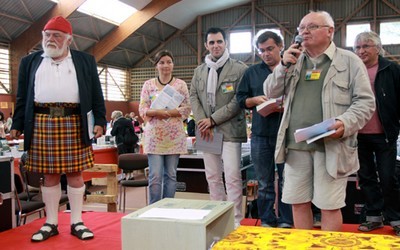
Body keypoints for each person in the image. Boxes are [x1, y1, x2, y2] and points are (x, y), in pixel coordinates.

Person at [263, 10, 375, 231]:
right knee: (297, 202)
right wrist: (283, 66)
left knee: (329, 206)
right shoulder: (293, 61)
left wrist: (345, 123)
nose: (304, 32)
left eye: (312, 27)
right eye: (301, 28)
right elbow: (270, 90)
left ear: (330, 31)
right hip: (296, 147)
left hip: (331, 146)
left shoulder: (349, 61)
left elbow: (365, 103)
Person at [10, 16, 106, 241]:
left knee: (75, 174)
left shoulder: (85, 61)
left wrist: (100, 120)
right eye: (47, 35)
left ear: (68, 39)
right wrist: (16, 124)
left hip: (74, 122)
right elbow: (22, 96)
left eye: (57, 35)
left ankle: (77, 221)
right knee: (49, 175)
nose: (50, 39)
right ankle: (51, 222)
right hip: (42, 123)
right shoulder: (30, 62)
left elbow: (96, 94)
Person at [190, 27, 248, 228]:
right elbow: (193, 97)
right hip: (206, 131)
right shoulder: (199, 71)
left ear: (225, 43)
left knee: (232, 176)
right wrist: (201, 121)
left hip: (230, 130)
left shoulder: (240, 69)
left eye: (219, 42)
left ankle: (235, 221)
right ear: (206, 45)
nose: (216, 46)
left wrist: (213, 119)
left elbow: (237, 101)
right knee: (213, 177)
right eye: (212, 42)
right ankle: (218, 217)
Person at [237, 30, 293, 228]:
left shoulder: (292, 68)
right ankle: (268, 220)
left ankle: (287, 220)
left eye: (270, 49)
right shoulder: (251, 73)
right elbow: (240, 100)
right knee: (264, 182)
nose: (266, 54)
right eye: (261, 51)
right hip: (261, 135)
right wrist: (255, 100)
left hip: (287, 134)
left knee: (288, 181)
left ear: (281, 46)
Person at [353, 31, 400, 236]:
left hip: (385, 133)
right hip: (358, 134)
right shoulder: (352, 70)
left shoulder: (392, 69)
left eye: (366, 46)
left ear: (378, 48)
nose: (361, 51)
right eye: (357, 47)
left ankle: (396, 217)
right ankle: (373, 216)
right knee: (366, 177)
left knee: (389, 176)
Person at [139, 50, 191, 204]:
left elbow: (187, 108)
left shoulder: (180, 85)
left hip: (174, 138)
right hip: (154, 138)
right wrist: (156, 112)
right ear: (156, 65)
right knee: (155, 175)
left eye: (169, 61)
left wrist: (169, 113)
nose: (165, 65)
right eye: (162, 62)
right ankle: (153, 208)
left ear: (173, 64)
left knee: (171, 175)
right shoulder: (148, 85)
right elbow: (142, 109)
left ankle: (168, 207)